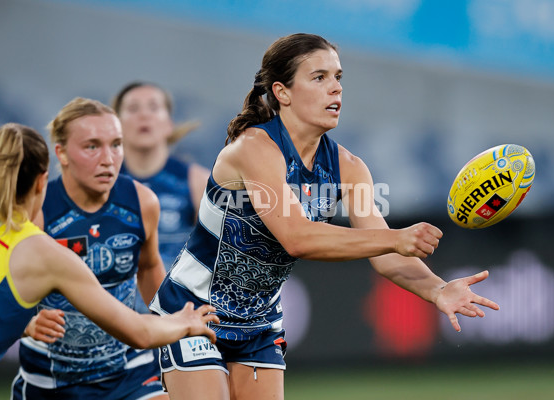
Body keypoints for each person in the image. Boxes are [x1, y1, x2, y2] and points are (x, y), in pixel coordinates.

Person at [148, 33, 500, 400]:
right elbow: (297, 237)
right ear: (282, 92)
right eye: (319, 78)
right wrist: (394, 237)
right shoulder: (254, 148)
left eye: (338, 77)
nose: (335, 89)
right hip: (192, 309)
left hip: (259, 323)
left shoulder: (348, 166)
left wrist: (437, 289)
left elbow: (388, 259)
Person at [10, 98, 194, 399]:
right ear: (62, 153)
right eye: (92, 146)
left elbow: (147, 267)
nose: (108, 158)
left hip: (128, 371)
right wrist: (27, 322)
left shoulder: (142, 202)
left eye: (116, 144)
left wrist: (171, 325)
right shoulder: (38, 211)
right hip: (51, 382)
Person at [0, 122, 218, 360]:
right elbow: (139, 333)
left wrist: (23, 324)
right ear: (42, 181)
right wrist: (186, 322)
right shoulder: (45, 254)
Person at [112, 81, 210, 270]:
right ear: (117, 125)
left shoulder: (197, 181)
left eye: (154, 107)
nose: (144, 115)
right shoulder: (102, 182)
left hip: (176, 295)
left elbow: (216, 252)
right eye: (133, 108)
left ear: (169, 124)